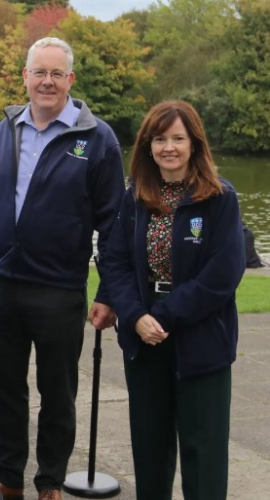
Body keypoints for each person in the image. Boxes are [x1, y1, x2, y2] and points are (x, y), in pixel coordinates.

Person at [0, 37, 125, 500]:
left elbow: (114, 223)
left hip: (59, 289)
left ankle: (49, 481)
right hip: (2, 283)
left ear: (70, 81)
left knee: (57, 395)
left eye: (56, 74)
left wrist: (109, 293)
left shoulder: (96, 139)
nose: (46, 81)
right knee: (4, 391)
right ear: (25, 76)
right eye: (39, 72)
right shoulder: (6, 130)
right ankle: (9, 476)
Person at [104, 100, 245, 500]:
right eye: (160, 138)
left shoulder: (220, 198)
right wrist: (134, 317)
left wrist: (161, 317)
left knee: (204, 454)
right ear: (148, 146)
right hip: (144, 340)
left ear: (194, 144)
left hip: (201, 341)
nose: (169, 147)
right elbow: (115, 261)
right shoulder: (135, 197)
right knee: (150, 449)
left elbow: (221, 277)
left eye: (178, 138)